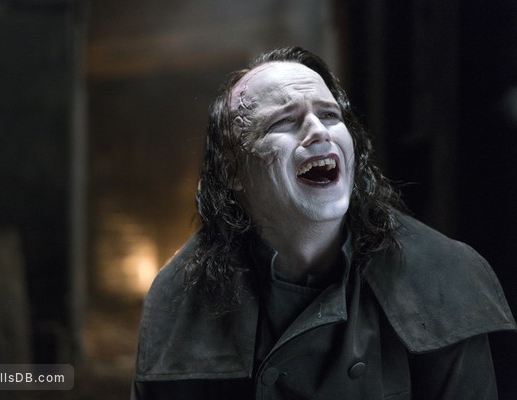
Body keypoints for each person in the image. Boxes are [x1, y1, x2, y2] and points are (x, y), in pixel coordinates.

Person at [131, 47, 516, 399]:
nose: (318, 130)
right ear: (232, 170)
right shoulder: (180, 298)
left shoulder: (442, 275)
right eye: (284, 121)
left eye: (330, 115)